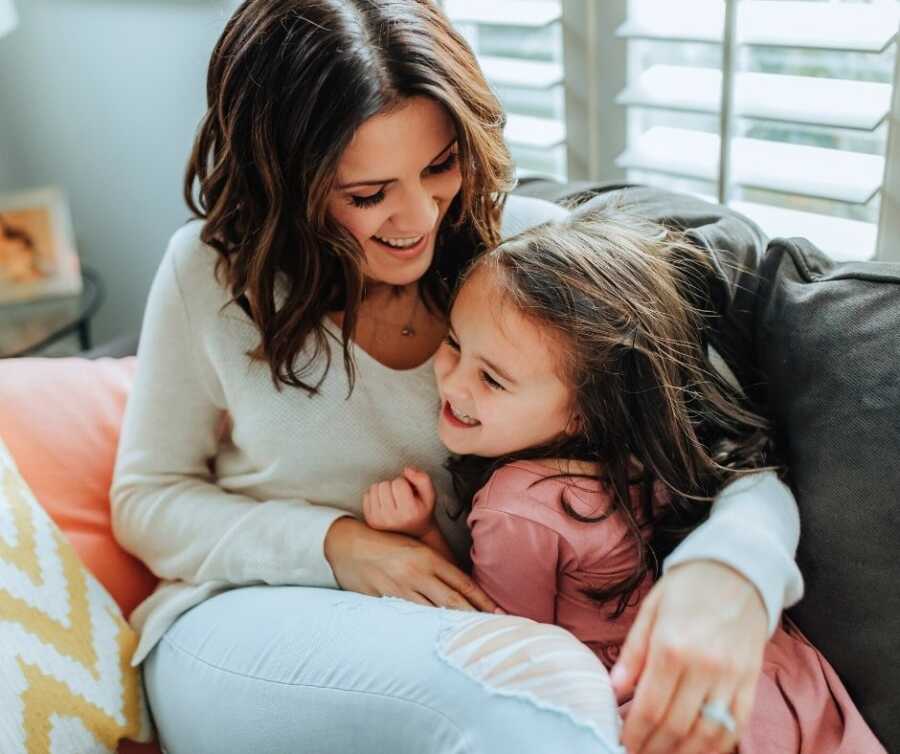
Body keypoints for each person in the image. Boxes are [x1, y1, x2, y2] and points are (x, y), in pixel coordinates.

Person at [112, 2, 804, 752]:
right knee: (539, 687)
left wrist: (732, 572)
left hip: (478, 632)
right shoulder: (212, 277)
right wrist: (338, 545)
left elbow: (728, 456)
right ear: (283, 180)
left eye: (440, 166)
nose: (417, 217)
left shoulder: (537, 255)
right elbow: (147, 499)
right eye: (367, 194)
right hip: (246, 621)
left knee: (547, 685)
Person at [363, 211, 886, 754]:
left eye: (491, 378)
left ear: (583, 413)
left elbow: (503, 647)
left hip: (649, 699)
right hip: (766, 677)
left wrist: (420, 535)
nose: (453, 380)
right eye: (453, 343)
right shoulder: (642, 457)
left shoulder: (514, 508)